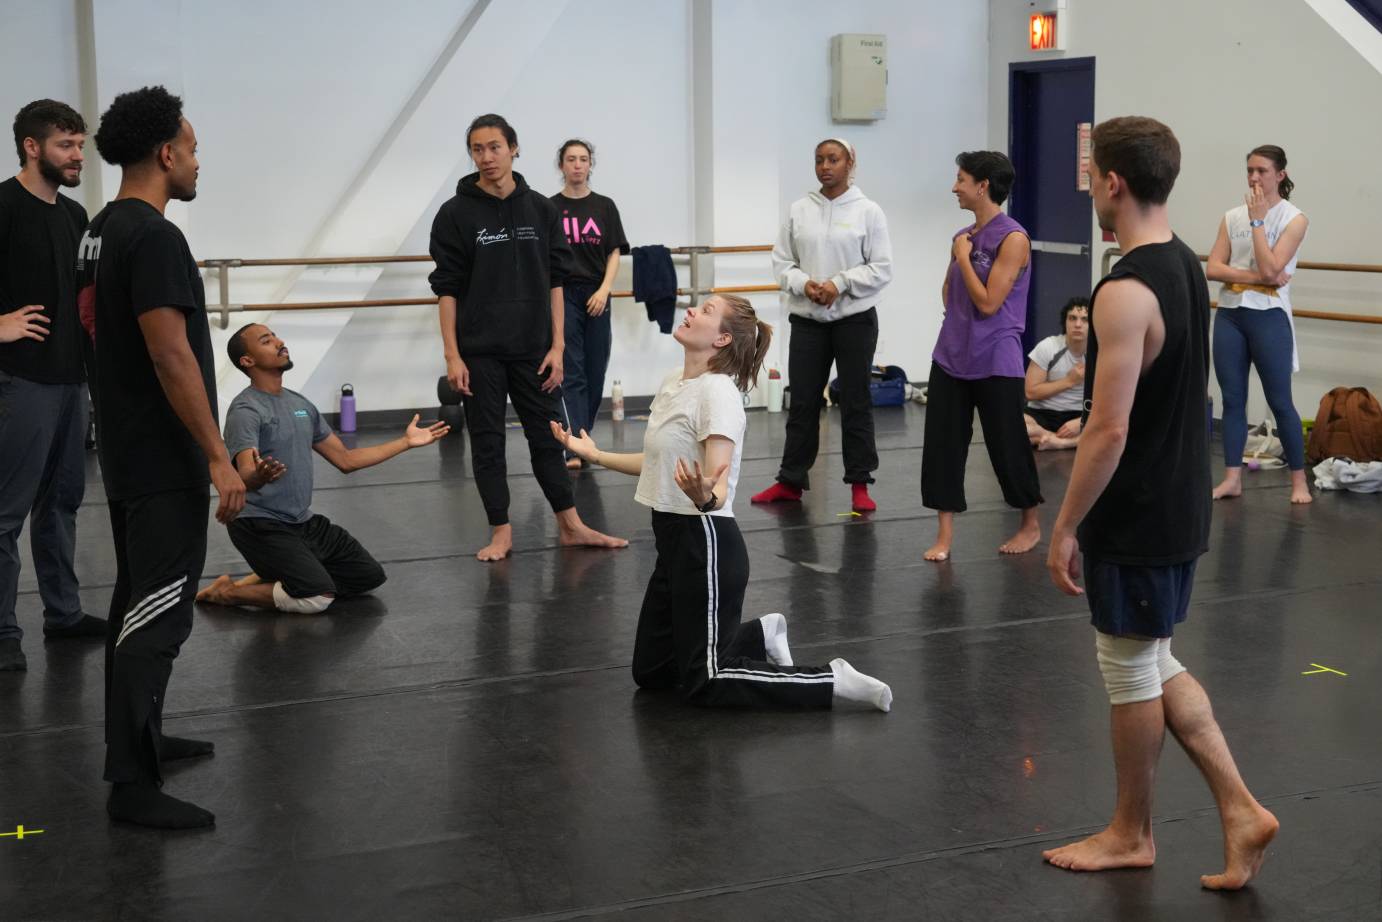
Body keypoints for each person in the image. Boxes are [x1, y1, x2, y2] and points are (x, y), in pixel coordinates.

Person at [1045, 116, 1278, 890]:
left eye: (1092, 179)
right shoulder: (1184, 265)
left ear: (1113, 183)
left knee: (1128, 671)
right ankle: (1241, 811)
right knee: (1152, 660)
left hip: (1140, 510)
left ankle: (1131, 833)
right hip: (1177, 501)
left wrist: (1066, 525)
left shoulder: (1125, 289)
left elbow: (1107, 429)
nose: (1089, 192)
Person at [551, 294, 892, 711]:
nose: (691, 311)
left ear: (722, 339)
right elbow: (660, 463)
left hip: (706, 542)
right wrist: (596, 455)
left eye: (706, 311)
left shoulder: (718, 394)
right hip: (672, 544)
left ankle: (831, 678)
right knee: (653, 671)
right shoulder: (674, 382)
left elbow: (717, 481)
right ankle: (761, 635)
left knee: (707, 681)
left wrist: (705, 496)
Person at [80, 86, 243, 829]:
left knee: (133, 603)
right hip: (159, 458)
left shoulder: (99, 231)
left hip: (126, 450)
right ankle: (131, 785)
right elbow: (170, 353)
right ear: (165, 152)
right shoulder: (153, 237)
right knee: (157, 616)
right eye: (194, 148)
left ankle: (142, 739)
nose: (199, 162)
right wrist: (217, 455)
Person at [429, 113, 626, 561]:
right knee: (488, 442)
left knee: (547, 438)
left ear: (514, 148)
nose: (486, 157)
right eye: (477, 149)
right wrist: (452, 355)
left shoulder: (541, 209)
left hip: (534, 349)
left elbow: (556, 281)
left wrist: (557, 346)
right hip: (479, 352)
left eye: (494, 147)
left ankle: (571, 525)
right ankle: (501, 531)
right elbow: (447, 289)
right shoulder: (455, 213)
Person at [194, 324, 449, 611]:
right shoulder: (246, 410)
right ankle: (228, 594)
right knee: (317, 597)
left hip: (301, 522)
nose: (279, 342)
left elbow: (346, 460)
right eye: (266, 340)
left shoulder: (300, 403)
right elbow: (243, 475)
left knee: (367, 576)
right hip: (259, 524)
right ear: (247, 360)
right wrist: (260, 476)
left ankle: (272, 577)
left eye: (276, 336)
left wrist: (405, 442)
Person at [0, 99, 106, 672]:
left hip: (71, 382)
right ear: (31, 147)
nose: (77, 156)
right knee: (5, 513)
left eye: (80, 146)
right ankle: (1, 632)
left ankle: (63, 615)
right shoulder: (2, 206)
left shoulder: (74, 215)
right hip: (20, 382)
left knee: (62, 503)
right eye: (66, 146)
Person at [752, 138, 893, 513]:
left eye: (833, 159)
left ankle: (860, 484)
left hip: (855, 320)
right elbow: (782, 261)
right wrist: (805, 284)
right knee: (802, 402)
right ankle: (790, 481)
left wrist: (839, 284)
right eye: (819, 160)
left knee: (855, 400)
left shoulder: (868, 211)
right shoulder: (799, 209)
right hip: (808, 320)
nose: (825, 167)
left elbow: (881, 268)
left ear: (850, 163)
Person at [921, 151, 1043, 562]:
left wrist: (962, 257)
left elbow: (990, 303)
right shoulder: (963, 235)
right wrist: (959, 261)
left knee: (1007, 444)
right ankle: (944, 535)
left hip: (996, 357)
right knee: (943, 445)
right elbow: (948, 291)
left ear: (983, 185)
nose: (955, 187)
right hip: (951, 354)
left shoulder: (1013, 238)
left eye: (961, 179)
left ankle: (1030, 523)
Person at [1206, 145, 1311, 504]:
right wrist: (1257, 277)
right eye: (1249, 170)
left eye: (1262, 171)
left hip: (1269, 316)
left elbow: (1271, 268)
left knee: (1280, 401)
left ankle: (1299, 482)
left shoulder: (1295, 219)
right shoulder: (1230, 216)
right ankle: (1232, 478)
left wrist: (1257, 222)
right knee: (1233, 400)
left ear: (1280, 175)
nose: (1253, 177)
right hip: (1231, 314)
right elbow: (1213, 268)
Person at [550, 139, 629, 469]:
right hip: (564, 292)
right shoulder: (549, 207)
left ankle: (584, 432)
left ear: (590, 164)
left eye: (583, 159)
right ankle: (575, 446)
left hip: (597, 293)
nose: (578, 165)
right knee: (573, 369)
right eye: (571, 159)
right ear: (562, 165)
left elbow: (614, 251)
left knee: (596, 369)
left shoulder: (604, 206)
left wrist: (605, 290)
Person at [1024, 297, 1090, 451]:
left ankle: (1056, 441)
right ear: (1065, 322)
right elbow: (1030, 392)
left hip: (1079, 414)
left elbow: (1108, 399)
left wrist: (1081, 421)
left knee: (1117, 425)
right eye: (1072, 318)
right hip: (1041, 413)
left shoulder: (1100, 353)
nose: (1078, 324)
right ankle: (1054, 437)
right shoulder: (1048, 346)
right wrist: (1069, 381)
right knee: (1011, 424)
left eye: (1084, 319)